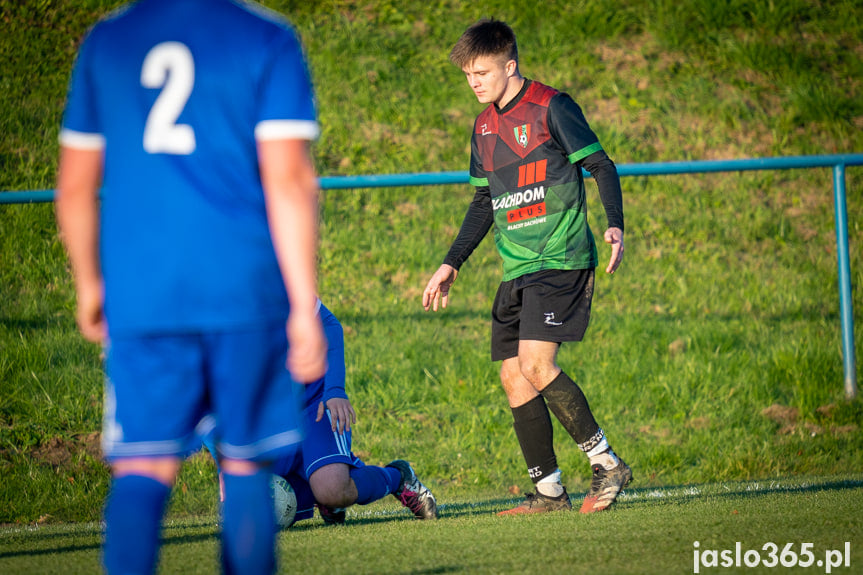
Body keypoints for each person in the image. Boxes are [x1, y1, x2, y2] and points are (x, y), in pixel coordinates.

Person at [55, 1, 326, 573]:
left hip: (145, 294)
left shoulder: (108, 41)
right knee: (247, 464)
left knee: (143, 469)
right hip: (245, 294)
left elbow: (75, 186)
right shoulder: (266, 38)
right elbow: (290, 180)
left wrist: (88, 284)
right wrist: (304, 304)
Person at [422, 18, 632, 516]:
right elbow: (482, 203)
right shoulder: (483, 127)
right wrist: (451, 263)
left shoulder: (551, 106)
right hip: (516, 268)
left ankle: (608, 464)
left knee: (538, 365)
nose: (473, 82)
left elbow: (601, 164)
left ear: (509, 65)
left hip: (559, 261)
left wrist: (615, 225)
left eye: (482, 72)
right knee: (515, 375)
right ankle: (550, 493)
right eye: (468, 75)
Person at [201, 300, 438, 524]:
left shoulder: (269, 276)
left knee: (333, 490)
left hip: (314, 404)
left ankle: (398, 478)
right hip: (265, 420)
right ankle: (317, 487)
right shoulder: (199, 311)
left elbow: (328, 324)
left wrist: (334, 390)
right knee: (253, 511)